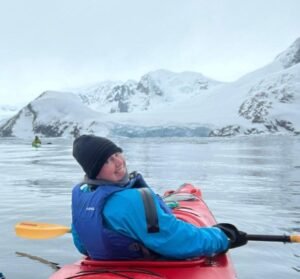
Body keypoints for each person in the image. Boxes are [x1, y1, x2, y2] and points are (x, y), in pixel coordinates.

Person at [71, 135, 247, 260]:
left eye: (117, 154)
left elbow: (82, 245)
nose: (118, 162)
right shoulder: (132, 201)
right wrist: (222, 237)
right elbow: (176, 242)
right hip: (143, 265)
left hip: (108, 263)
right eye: (108, 160)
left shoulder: (83, 195)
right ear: (95, 171)